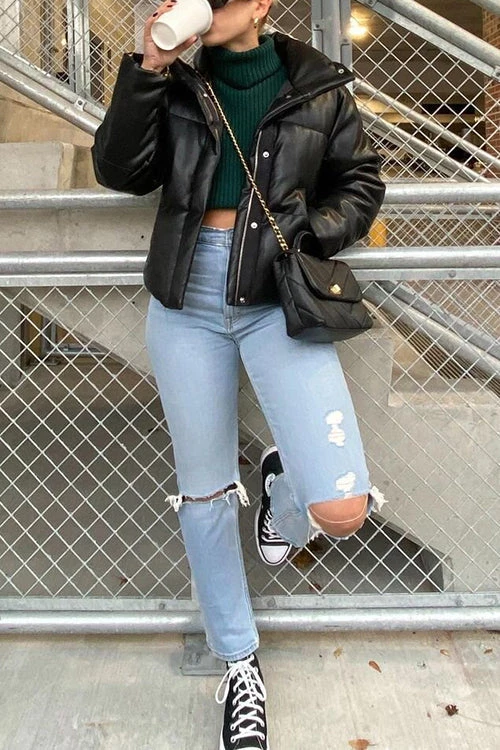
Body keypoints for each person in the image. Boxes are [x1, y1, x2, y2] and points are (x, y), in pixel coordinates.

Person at [92, 1, 387, 747]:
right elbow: (118, 171)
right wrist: (150, 69)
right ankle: (238, 661)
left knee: (340, 508)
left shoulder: (318, 86)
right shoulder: (178, 85)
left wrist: (307, 230)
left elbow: (360, 181)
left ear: (259, 5)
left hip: (276, 298)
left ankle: (285, 489)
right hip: (185, 301)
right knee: (203, 493)